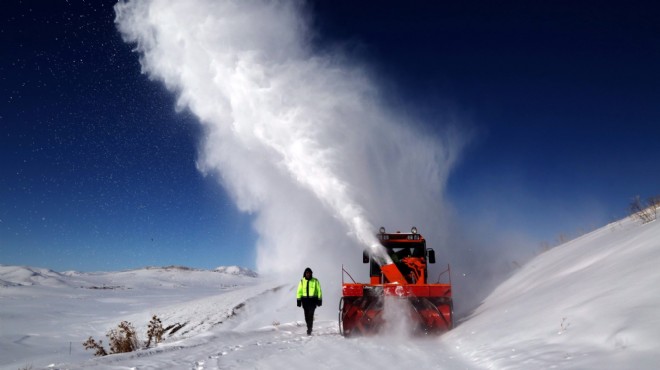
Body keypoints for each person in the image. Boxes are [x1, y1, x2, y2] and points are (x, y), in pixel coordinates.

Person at [296, 267, 322, 335]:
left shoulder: (315, 281)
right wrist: (298, 301)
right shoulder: (302, 281)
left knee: (311, 315)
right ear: (305, 274)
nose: (308, 274)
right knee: (306, 316)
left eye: (309, 273)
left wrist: (319, 300)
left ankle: (309, 329)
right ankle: (309, 327)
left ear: (311, 273)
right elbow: (299, 291)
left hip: (313, 301)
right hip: (304, 302)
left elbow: (319, 291)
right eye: (306, 273)